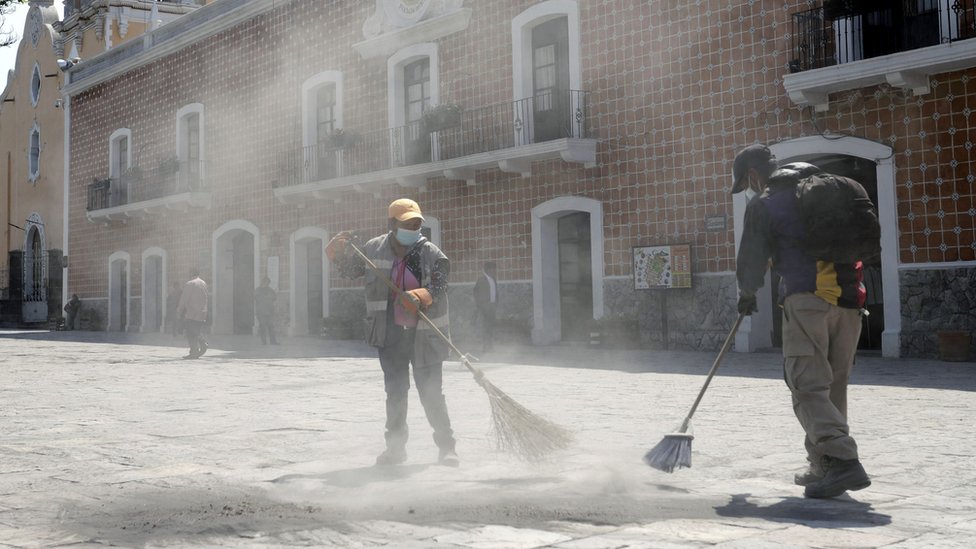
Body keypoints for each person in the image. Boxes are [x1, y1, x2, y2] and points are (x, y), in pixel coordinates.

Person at [732, 143, 875, 499]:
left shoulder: (765, 202)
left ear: (753, 174)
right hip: (850, 302)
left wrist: (747, 294)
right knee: (831, 387)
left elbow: (752, 258)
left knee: (807, 386)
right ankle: (823, 463)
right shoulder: (833, 188)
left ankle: (842, 460)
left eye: (747, 182)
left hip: (807, 300)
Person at [327, 198, 459, 467]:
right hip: (391, 335)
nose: (413, 228)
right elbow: (350, 271)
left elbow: (441, 284)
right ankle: (395, 450)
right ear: (392, 224)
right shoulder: (373, 249)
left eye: (416, 224)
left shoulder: (431, 253)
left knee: (431, 393)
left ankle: (447, 447)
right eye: (407, 224)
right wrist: (337, 253)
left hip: (425, 336)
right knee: (396, 393)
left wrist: (421, 296)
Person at [176, 268, 209, 359]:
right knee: (195, 330)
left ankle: (195, 350)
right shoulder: (204, 283)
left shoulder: (190, 284)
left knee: (190, 332)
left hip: (192, 312)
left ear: (190, 273)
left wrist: (179, 310)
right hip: (203, 311)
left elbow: (184, 298)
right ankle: (201, 345)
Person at [473, 261, 498, 353]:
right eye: (492, 269)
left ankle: (490, 346)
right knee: (486, 327)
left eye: (495, 269)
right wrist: (480, 305)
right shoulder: (481, 279)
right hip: (485, 307)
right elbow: (476, 292)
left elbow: (496, 292)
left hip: (492, 306)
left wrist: (495, 304)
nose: (494, 271)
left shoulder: (493, 279)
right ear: (487, 270)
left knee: (491, 327)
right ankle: (485, 347)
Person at [254, 276, 279, 345]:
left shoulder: (270, 290)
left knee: (271, 327)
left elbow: (274, 298)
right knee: (263, 327)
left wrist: (273, 295)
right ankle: (264, 342)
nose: (267, 284)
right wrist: (267, 297)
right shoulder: (257, 290)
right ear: (262, 282)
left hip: (270, 311)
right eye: (265, 282)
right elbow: (257, 298)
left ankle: (273, 341)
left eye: (268, 283)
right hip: (261, 312)